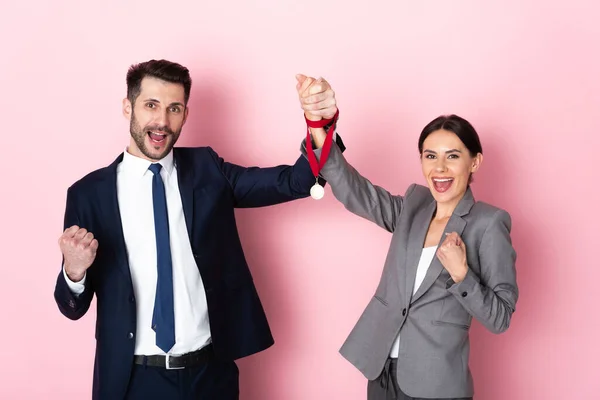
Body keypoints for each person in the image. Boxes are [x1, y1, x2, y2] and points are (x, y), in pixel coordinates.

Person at [54, 60, 343, 400]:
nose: (162, 121)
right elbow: (71, 306)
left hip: (210, 376)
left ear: (186, 115)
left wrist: (318, 125)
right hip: (133, 381)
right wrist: (74, 270)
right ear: (127, 107)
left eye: (174, 108)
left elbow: (294, 181)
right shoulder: (88, 194)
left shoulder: (207, 169)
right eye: (151, 105)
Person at [298, 84, 518, 399]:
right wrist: (318, 125)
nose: (439, 168)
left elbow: (500, 318)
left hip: (436, 384)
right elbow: (356, 191)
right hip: (382, 372)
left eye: (452, 156)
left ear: (475, 162)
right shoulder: (413, 206)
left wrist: (461, 274)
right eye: (430, 156)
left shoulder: (489, 223)